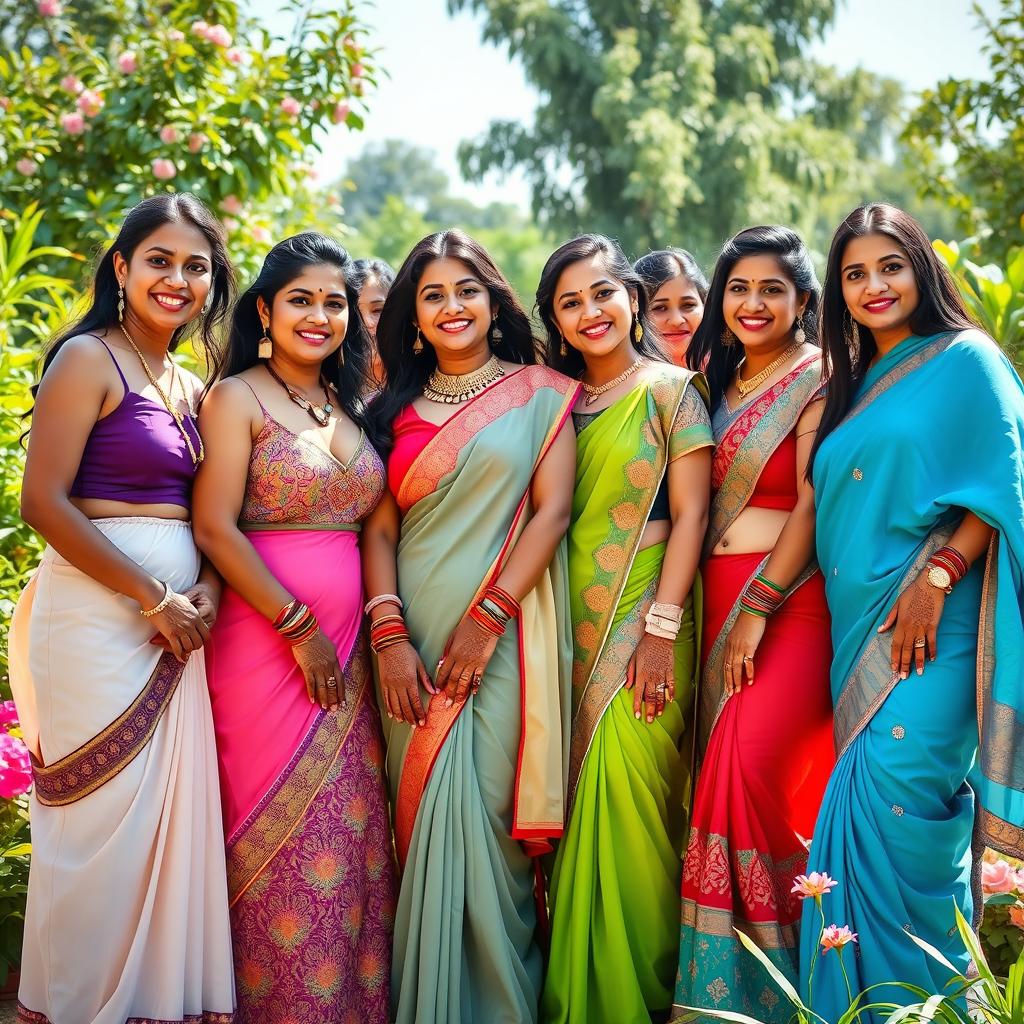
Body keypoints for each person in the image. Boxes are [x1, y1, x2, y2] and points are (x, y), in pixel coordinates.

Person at [10, 193, 236, 1023]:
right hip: (97, 628)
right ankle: (76, 1006)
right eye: (160, 261)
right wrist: (154, 597)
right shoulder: (87, 360)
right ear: (122, 267)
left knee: (162, 836)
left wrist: (203, 591)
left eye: (196, 266)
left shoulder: (192, 377)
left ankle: (153, 1005)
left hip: (180, 630)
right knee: (93, 833)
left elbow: (208, 513)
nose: (177, 280)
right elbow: (44, 502)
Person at [800, 203, 1024, 1020]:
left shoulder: (969, 360)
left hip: (935, 629)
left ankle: (937, 1010)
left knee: (902, 812)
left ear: (921, 269)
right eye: (854, 274)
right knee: (862, 820)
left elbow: (1006, 485)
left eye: (890, 266)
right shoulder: (849, 387)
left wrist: (939, 571)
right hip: (857, 630)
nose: (873, 286)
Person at [361, 229, 578, 1024]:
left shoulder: (545, 393)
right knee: (417, 822)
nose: (451, 307)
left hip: (502, 635)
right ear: (413, 317)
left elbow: (552, 513)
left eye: (466, 291)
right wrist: (386, 635)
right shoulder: (389, 411)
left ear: (493, 303)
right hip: (409, 642)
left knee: (487, 823)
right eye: (432, 295)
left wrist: (488, 621)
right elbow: (378, 531)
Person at [193, 233, 395, 1023]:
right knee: (268, 837)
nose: (319, 315)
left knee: (346, 841)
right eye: (301, 300)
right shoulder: (236, 397)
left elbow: (376, 528)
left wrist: (379, 630)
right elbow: (215, 528)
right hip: (266, 649)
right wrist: (296, 624)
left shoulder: (350, 405)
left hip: (349, 662)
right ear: (266, 312)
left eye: (334, 302)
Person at [536, 235, 713, 1024]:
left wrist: (660, 630)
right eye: (569, 303)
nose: (590, 312)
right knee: (573, 812)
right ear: (556, 321)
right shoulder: (556, 402)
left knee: (634, 805)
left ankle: (635, 1001)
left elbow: (693, 516)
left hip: (646, 615)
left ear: (631, 299)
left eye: (602, 293)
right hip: (559, 628)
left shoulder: (673, 390)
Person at [672, 226, 834, 1021]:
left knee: (748, 776)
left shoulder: (817, 378)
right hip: (712, 600)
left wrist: (757, 613)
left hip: (789, 604)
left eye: (772, 289)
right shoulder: (714, 380)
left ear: (804, 300)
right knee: (713, 777)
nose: (754, 303)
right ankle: (722, 997)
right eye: (739, 288)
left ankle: (782, 991)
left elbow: (809, 501)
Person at [351, 257, 395, 392]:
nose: (367, 323)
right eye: (355, 314)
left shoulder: (425, 384)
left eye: (378, 310)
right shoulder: (328, 393)